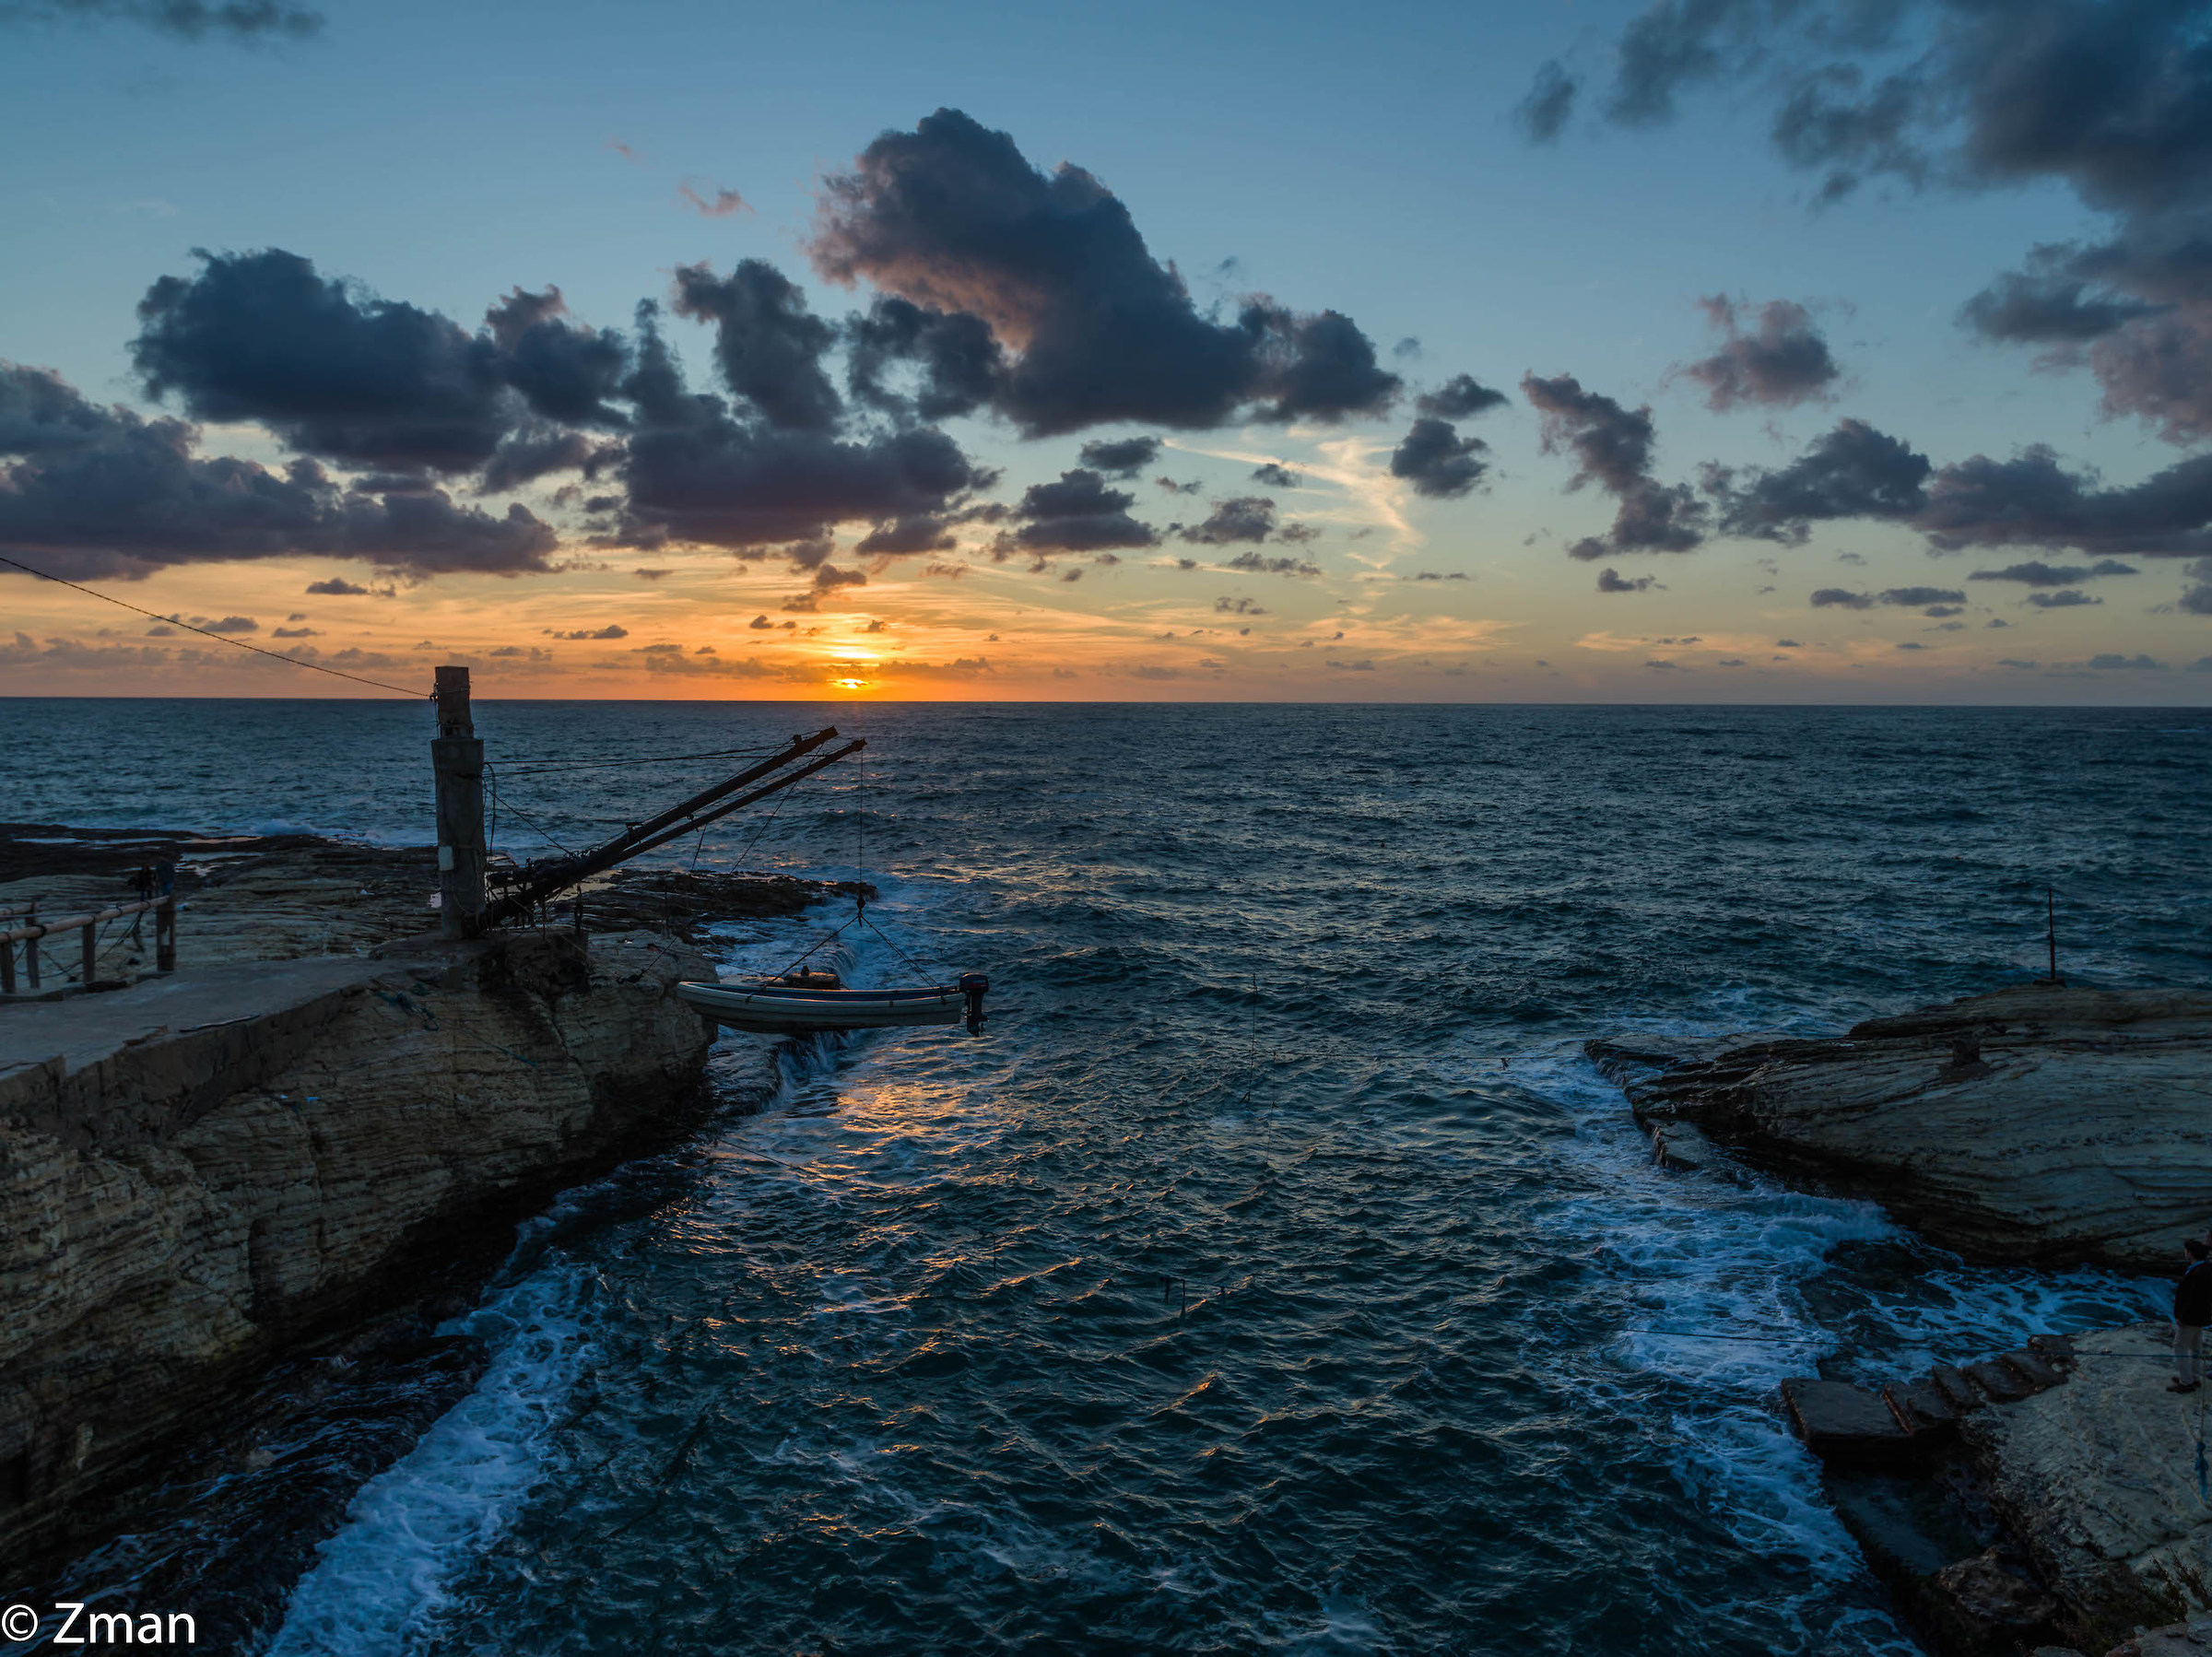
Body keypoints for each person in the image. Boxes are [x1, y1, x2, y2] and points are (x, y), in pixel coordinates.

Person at [2171, 1238, 2212, 1393]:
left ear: (2190, 1253)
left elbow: (2193, 1298)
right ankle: (2193, 1377)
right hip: (2202, 1317)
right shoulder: (2206, 1269)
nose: (2185, 1253)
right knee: (2196, 1347)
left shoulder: (2197, 1272)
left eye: (2186, 1251)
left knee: (2179, 1346)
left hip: (2191, 1317)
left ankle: (2186, 1381)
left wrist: (2181, 1316)